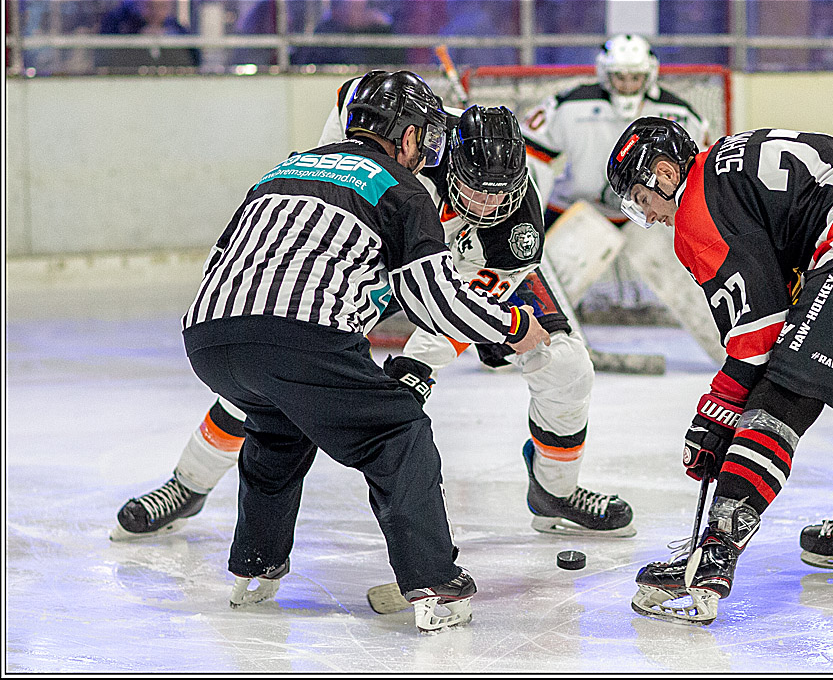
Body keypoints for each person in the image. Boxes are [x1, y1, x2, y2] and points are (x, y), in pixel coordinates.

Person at [111, 83, 635, 548]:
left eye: (501, 193)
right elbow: (347, 117)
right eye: (475, 190)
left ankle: (555, 491)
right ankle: (189, 481)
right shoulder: (409, 149)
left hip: (455, 268)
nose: (489, 204)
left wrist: (418, 365)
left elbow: (459, 308)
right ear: (443, 159)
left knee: (567, 365)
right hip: (380, 252)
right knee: (290, 365)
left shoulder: (515, 223)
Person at [178, 70, 549, 632]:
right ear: (404, 137)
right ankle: (434, 584)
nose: (427, 147)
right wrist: (516, 325)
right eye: (423, 134)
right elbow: (437, 302)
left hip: (208, 336)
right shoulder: (401, 189)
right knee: (397, 433)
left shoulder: (283, 169)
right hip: (299, 338)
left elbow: (224, 254)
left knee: (277, 428)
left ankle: (254, 569)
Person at [606, 117, 833, 625]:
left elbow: (759, 330)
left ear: (665, 174)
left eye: (643, 199)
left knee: (782, 395)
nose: (650, 214)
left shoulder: (695, 209)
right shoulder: (728, 160)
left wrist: (714, 415)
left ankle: (712, 555)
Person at [520, 34, 725, 364]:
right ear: (604, 74)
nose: (628, 85)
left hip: (651, 216)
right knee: (547, 277)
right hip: (581, 210)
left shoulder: (678, 113)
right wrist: (530, 213)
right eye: (620, 77)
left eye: (635, 77)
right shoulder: (570, 104)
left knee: (685, 283)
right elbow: (531, 153)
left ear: (650, 75)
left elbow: (698, 172)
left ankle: (730, 352)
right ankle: (530, 345)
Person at [291, 0, 405, 66]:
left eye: (361, 8)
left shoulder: (382, 32)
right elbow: (304, 65)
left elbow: (396, 66)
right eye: (351, 6)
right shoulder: (325, 31)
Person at [97, 0, 199, 69]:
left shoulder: (178, 30)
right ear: (139, 4)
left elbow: (194, 61)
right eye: (150, 6)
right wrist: (138, 39)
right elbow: (107, 59)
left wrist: (168, 40)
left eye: (162, 7)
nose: (155, 12)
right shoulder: (121, 26)